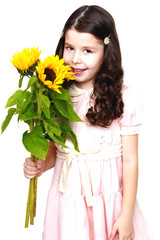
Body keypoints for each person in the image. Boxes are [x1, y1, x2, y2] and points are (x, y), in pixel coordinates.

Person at [23, 5, 154, 240]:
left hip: (108, 204)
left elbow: (131, 160)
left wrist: (126, 215)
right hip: (67, 203)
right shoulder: (55, 95)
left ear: (106, 51)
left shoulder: (123, 98)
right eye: (70, 48)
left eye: (87, 51)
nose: (75, 59)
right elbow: (55, 149)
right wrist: (39, 163)